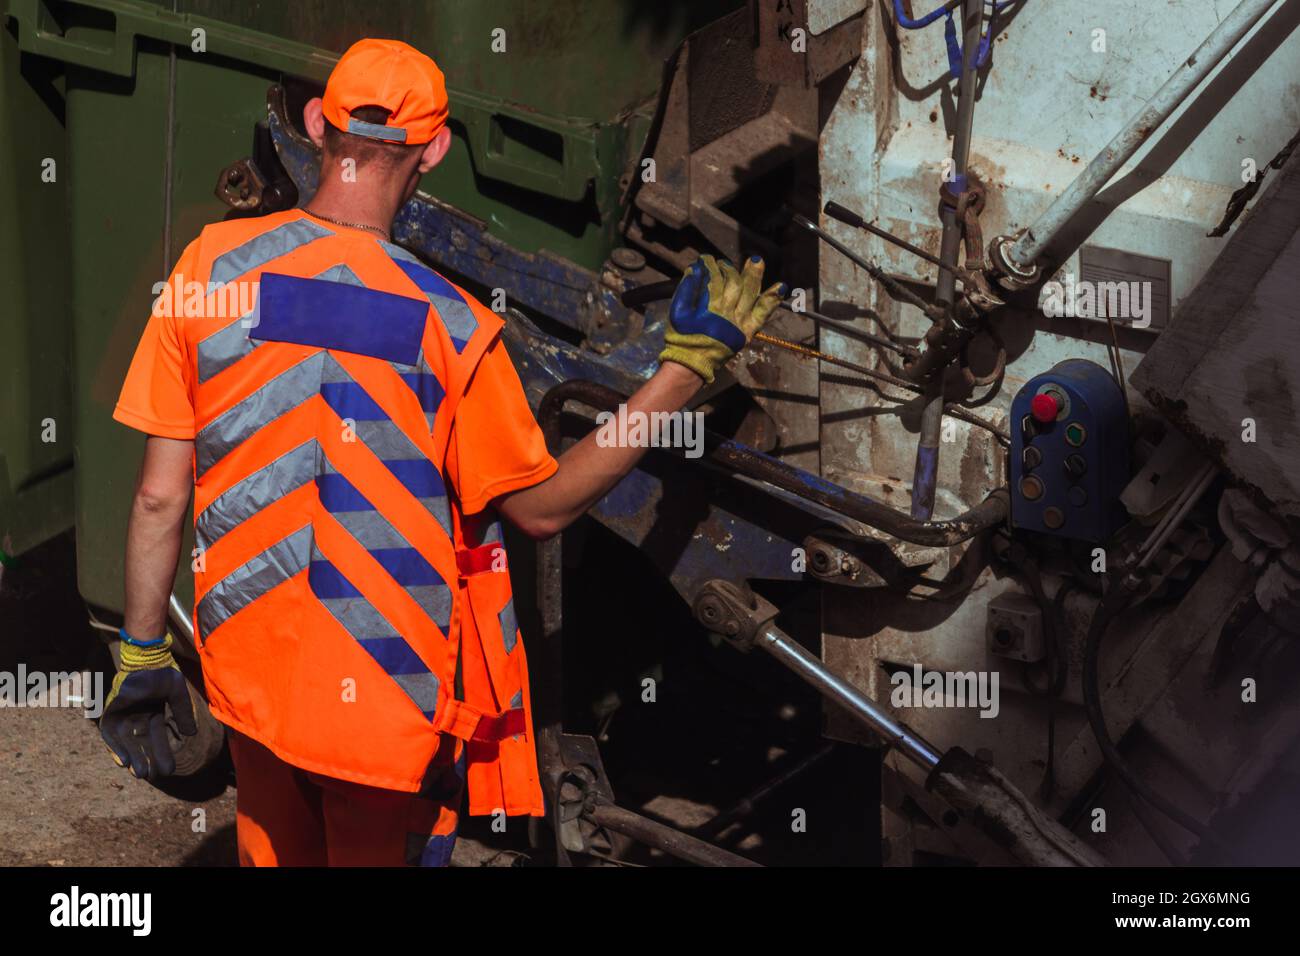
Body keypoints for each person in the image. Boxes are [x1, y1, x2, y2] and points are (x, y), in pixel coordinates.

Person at [105, 38, 784, 866]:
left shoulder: (209, 269)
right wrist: (677, 376)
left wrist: (142, 650)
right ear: (433, 148)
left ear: (318, 123)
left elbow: (157, 498)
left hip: (249, 662)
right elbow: (542, 509)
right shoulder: (452, 326)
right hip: (382, 689)